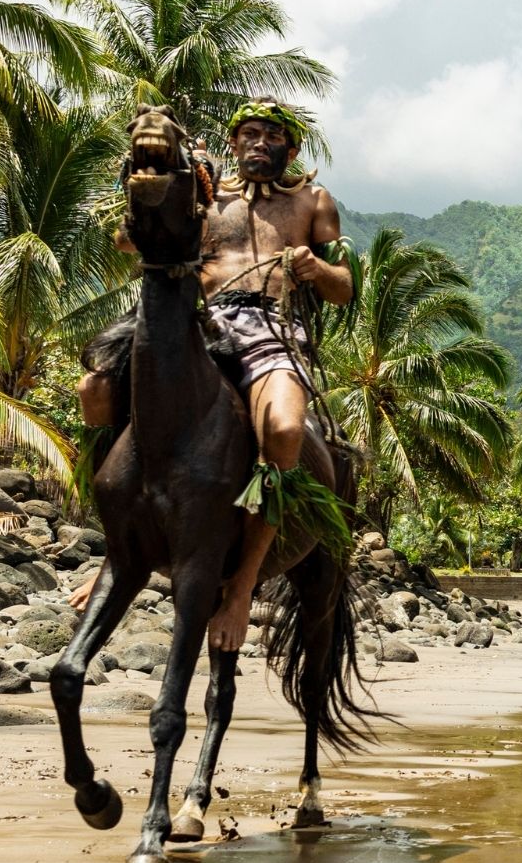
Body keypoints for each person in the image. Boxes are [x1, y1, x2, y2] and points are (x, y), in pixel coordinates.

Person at [73, 99, 354, 652]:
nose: (259, 143)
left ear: (292, 148)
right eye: (249, 134)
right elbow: (128, 240)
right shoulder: (207, 190)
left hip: (273, 331)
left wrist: (316, 267)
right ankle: (117, 551)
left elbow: (343, 288)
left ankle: (243, 583)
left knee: (284, 432)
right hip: (197, 325)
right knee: (95, 390)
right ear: (233, 142)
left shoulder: (313, 201)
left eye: (272, 136)